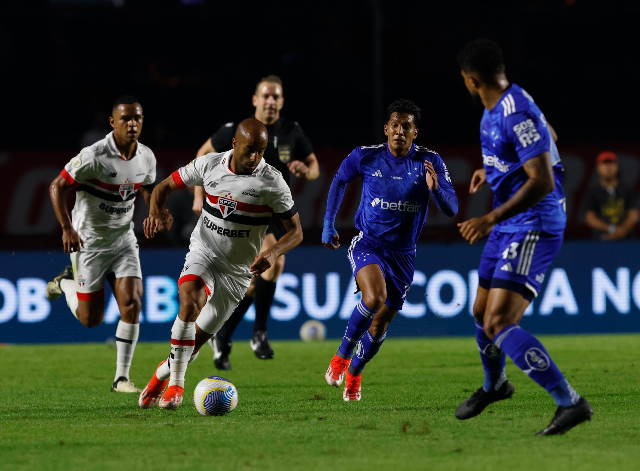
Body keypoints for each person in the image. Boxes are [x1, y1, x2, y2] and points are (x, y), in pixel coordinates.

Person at [456, 39, 592, 435]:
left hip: (533, 221)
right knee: (481, 312)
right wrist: (495, 171)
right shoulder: (503, 104)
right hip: (510, 221)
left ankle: (570, 402)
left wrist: (490, 217)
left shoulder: (514, 114)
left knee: (499, 320)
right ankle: (494, 385)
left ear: (471, 80)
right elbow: (547, 132)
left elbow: (543, 180)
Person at [138, 118, 302, 410]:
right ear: (234, 144)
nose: (255, 158)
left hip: (238, 274)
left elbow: (296, 231)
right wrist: (155, 212)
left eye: (261, 151)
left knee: (193, 345)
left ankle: (161, 374)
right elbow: (163, 187)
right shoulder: (208, 165)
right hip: (204, 252)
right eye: (250, 150)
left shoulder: (272, 181)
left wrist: (274, 252)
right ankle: (177, 385)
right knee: (189, 303)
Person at [321, 99, 458, 402]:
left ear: (415, 132)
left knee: (380, 323)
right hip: (369, 242)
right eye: (394, 125)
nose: (399, 131)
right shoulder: (366, 156)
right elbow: (339, 180)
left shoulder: (429, 161)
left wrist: (436, 189)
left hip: (404, 255)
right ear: (386, 129)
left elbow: (453, 207)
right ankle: (342, 355)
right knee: (374, 297)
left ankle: (355, 372)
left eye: (405, 126)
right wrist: (328, 223)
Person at [46, 96, 172, 393]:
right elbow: (56, 186)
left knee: (133, 302)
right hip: (88, 242)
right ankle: (66, 283)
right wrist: (66, 227)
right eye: (126, 118)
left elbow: (148, 189)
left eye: (137, 118)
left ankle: (121, 378)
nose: (132, 124)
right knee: (91, 320)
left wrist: (157, 213)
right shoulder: (94, 155)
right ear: (112, 122)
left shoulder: (146, 157)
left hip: (123, 239)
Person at [192, 75, 319, 369]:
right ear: (255, 100)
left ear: (282, 102)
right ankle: (256, 332)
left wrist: (304, 170)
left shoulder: (292, 131)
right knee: (270, 266)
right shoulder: (238, 132)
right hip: (243, 211)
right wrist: (199, 196)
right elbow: (202, 154)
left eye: (276, 97)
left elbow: (314, 168)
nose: (271, 101)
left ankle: (225, 334)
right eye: (266, 96)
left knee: (255, 283)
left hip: (274, 211)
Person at [584, 151, 639, 240]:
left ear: (617, 167)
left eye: (611, 164)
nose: (608, 167)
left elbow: (634, 214)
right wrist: (611, 229)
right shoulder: (592, 192)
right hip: (600, 240)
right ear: (598, 168)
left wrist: (621, 231)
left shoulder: (627, 189)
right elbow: (589, 218)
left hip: (627, 240)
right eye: (604, 164)